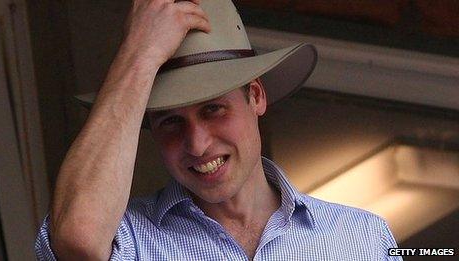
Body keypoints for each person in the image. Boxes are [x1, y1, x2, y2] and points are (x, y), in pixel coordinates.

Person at [35, 0, 401, 260]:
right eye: (171, 122)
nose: (197, 144)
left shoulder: (361, 238)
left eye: (213, 109)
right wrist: (140, 55)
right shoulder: (130, 240)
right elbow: (79, 239)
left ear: (255, 96)